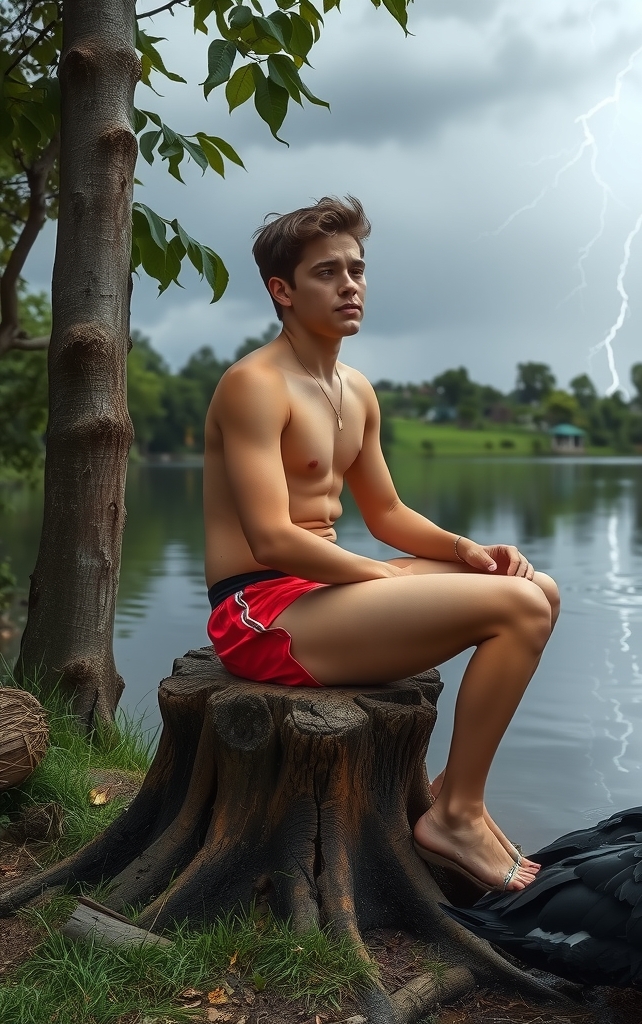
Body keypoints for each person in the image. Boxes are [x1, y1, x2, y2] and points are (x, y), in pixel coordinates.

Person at [202, 196, 558, 893]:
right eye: (327, 273)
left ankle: (457, 792)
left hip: (319, 593)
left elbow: (388, 512)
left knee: (536, 589)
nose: (350, 286)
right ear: (283, 290)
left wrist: (465, 551)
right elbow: (273, 539)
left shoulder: (353, 390)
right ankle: (455, 816)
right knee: (517, 609)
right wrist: (384, 580)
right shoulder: (253, 385)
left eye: (357, 271)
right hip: (260, 614)